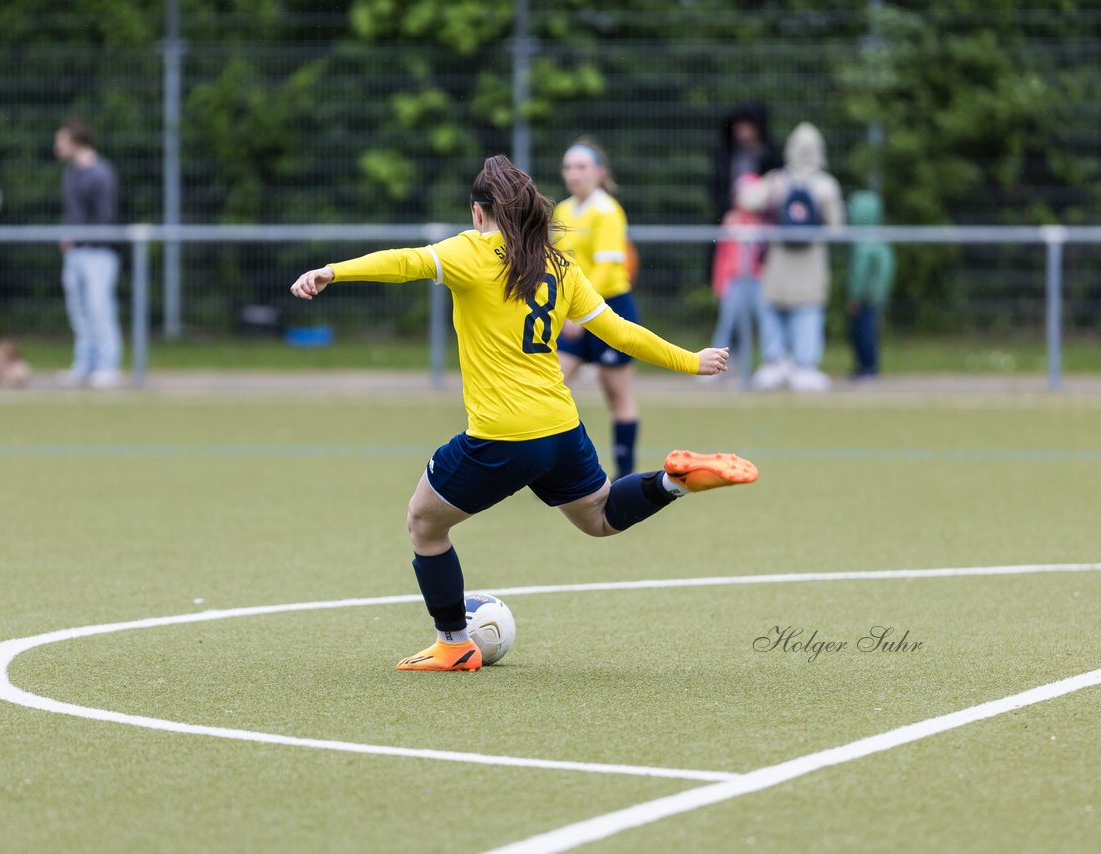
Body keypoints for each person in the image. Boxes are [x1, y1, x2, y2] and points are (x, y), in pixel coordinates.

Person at [289, 155, 758, 672]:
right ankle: (673, 482)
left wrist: (333, 271)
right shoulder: (559, 264)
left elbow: (405, 262)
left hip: (503, 435)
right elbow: (621, 331)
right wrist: (691, 361)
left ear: (478, 212)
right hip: (561, 426)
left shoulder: (471, 251)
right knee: (599, 517)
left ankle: (453, 643)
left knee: (424, 524)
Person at [553, 139, 640, 479]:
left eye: (581, 167)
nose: (573, 174)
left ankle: (625, 472)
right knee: (553, 384)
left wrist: (580, 311)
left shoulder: (607, 211)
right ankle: (554, 467)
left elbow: (605, 269)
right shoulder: (562, 210)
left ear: (600, 172)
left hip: (609, 307)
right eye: (568, 167)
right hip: (575, 310)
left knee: (616, 394)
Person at [741, 122, 844, 392]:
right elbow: (837, 228)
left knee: (775, 311)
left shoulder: (778, 180)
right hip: (811, 264)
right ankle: (802, 365)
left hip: (779, 261)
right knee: (807, 313)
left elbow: (747, 199)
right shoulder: (826, 185)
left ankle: (777, 363)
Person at [54, 118, 122, 389]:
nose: (57, 146)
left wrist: (78, 236)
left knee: (99, 310)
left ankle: (108, 366)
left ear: (76, 142)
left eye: (61, 141)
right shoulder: (70, 173)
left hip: (98, 254)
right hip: (75, 253)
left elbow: (105, 218)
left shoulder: (100, 173)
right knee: (79, 312)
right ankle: (84, 364)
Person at [709, 172, 764, 385]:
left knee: (757, 325)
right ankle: (713, 367)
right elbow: (722, 256)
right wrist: (719, 281)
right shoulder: (732, 220)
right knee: (728, 323)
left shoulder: (761, 222)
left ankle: (751, 367)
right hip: (733, 279)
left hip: (756, 279)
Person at [846, 190, 895, 379]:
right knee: (869, 333)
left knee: (862, 334)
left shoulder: (865, 242)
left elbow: (860, 273)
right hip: (875, 295)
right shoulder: (877, 237)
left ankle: (867, 368)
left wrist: (855, 296)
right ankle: (868, 366)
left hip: (865, 298)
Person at [709, 102, 784, 224]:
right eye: (740, 127)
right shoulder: (726, 155)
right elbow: (717, 188)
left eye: (748, 127)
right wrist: (727, 213)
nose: (743, 133)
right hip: (732, 219)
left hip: (764, 219)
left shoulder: (771, 154)